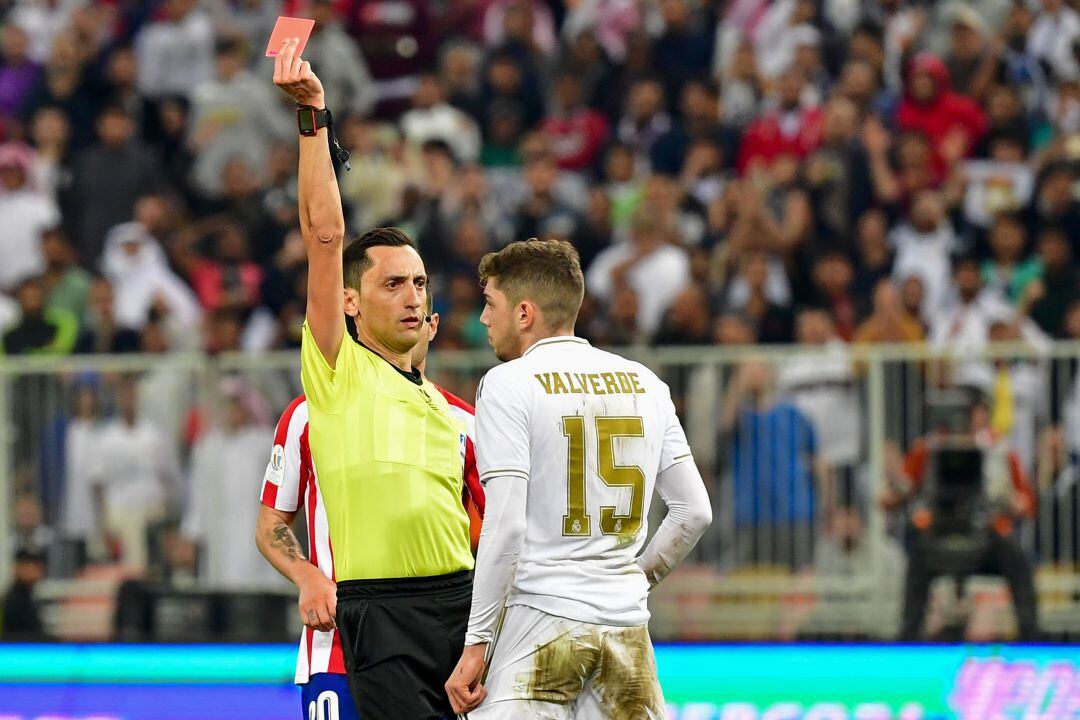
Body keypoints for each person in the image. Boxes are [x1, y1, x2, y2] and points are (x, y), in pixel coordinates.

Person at [273, 39, 476, 719]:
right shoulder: (336, 374)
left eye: (420, 283)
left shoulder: (458, 413)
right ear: (352, 303)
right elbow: (324, 233)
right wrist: (314, 119)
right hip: (380, 613)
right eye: (393, 283)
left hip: (464, 604)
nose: (412, 295)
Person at [445, 239, 712, 717]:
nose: (484, 319)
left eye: (491, 304)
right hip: (626, 631)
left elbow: (505, 525)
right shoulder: (647, 383)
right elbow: (695, 512)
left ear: (524, 313)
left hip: (539, 623)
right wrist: (632, 580)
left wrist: (476, 643)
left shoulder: (508, 384)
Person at [257, 297, 485, 720]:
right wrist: (307, 576)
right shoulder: (309, 414)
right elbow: (271, 521)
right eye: (394, 290)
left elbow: (494, 533)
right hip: (337, 645)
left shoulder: (465, 422)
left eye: (418, 296)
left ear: (433, 325)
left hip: (439, 644)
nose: (408, 310)